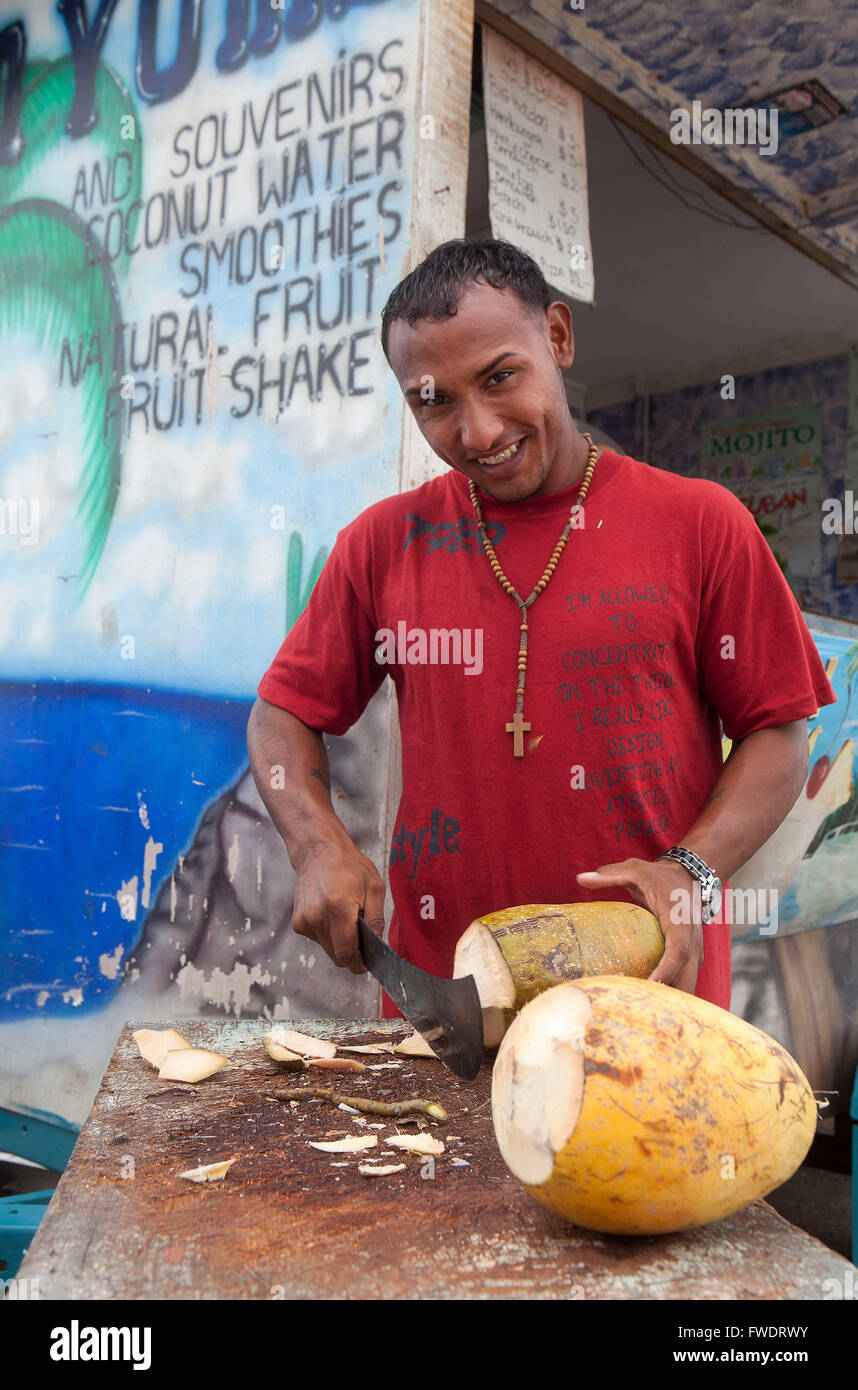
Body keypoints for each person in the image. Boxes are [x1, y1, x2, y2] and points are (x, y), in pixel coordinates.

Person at [247, 237, 836, 1015]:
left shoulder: (700, 523)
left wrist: (690, 869)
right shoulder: (384, 544)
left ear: (556, 337)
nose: (479, 431)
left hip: (650, 1001)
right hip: (447, 1007)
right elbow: (284, 711)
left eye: (499, 378)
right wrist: (316, 841)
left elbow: (779, 735)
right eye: (434, 400)